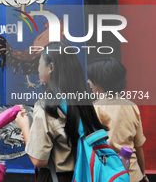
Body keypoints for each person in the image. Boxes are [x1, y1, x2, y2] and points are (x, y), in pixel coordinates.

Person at [16, 41, 108, 182]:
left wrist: (24, 127)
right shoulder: (83, 102)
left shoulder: (45, 106)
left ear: (51, 67)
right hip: (87, 175)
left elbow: (38, 160)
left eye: (40, 63)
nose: (38, 68)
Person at [87, 57, 149, 182]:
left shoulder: (94, 109)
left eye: (91, 78)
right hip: (132, 175)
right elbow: (138, 146)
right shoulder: (132, 106)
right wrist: (142, 174)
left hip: (107, 176)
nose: (88, 81)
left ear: (100, 81)